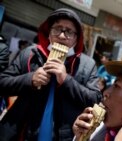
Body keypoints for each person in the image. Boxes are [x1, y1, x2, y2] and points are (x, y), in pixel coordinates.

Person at [0, 8, 101, 141]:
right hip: (21, 132)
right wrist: (30, 79)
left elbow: (95, 99)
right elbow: (2, 83)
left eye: (69, 31)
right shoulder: (30, 54)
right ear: (48, 33)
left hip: (62, 136)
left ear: (77, 39)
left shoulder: (87, 65)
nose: (62, 36)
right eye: (57, 29)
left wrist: (66, 80)